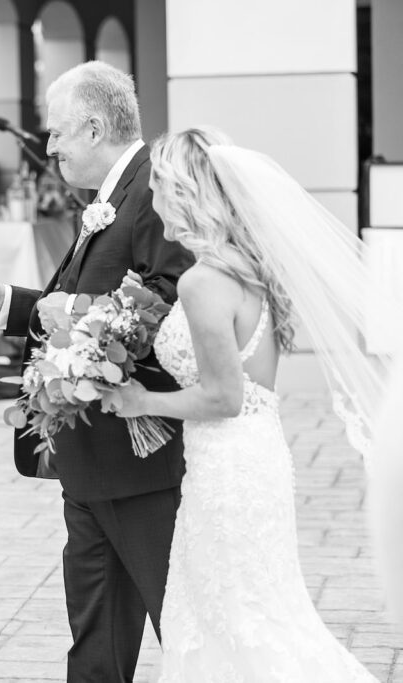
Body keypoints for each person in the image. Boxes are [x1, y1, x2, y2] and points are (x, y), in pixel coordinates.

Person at [111, 126, 379, 681]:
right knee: (262, 613)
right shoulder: (251, 268)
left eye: (158, 185)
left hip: (227, 469)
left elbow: (224, 397)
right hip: (258, 457)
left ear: (181, 192)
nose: (152, 198)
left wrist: (140, 400)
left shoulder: (203, 282)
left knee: (231, 618)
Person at [0, 61, 194, 682]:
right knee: (94, 641)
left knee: (188, 629)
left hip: (137, 464)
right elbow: (74, 302)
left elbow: (172, 300)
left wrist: (80, 312)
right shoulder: (111, 197)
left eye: (58, 132)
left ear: (93, 129)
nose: (51, 145)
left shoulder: (153, 190)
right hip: (92, 461)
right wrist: (9, 301)